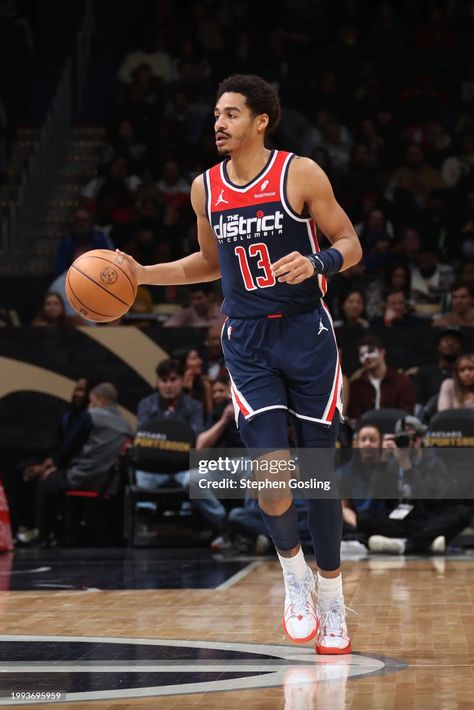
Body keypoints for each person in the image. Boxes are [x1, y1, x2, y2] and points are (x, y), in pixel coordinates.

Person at [118, 74, 362, 655]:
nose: (218, 123)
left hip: (307, 335)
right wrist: (141, 273)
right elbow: (207, 262)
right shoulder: (205, 187)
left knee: (318, 471)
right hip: (247, 341)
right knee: (272, 470)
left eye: (230, 114)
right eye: (216, 114)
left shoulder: (299, 173)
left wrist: (319, 261)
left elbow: (350, 241)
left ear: (261, 121)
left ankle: (332, 595)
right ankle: (294, 576)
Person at [35, 383, 132, 544]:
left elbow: (70, 446)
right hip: (109, 482)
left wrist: (57, 467)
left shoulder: (91, 415)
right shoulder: (126, 425)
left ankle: (44, 536)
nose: (89, 405)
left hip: (83, 476)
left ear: (99, 401)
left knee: (47, 481)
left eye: (91, 401)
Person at [347, 335, 416, 420]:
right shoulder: (356, 386)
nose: (367, 357)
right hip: (366, 431)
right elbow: (356, 417)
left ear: (382, 352)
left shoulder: (401, 381)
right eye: (362, 355)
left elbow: (407, 414)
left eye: (371, 351)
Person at [414, 327, 464, 407]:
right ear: (438, 347)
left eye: (455, 340)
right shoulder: (425, 373)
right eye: (446, 340)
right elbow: (418, 403)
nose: (450, 343)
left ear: (461, 348)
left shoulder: (468, 373)